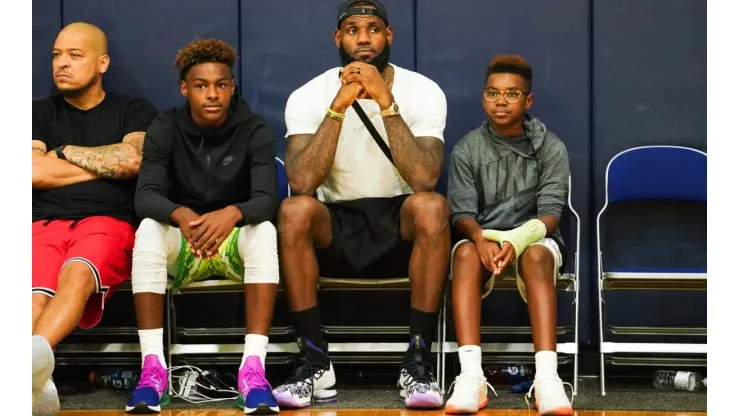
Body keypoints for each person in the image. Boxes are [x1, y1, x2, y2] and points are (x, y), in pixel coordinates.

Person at [273, 0, 449, 410]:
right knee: (293, 210)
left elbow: (425, 177)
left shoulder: (423, 91)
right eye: (353, 29)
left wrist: (385, 101)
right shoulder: (308, 95)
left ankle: (418, 360)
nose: (363, 38)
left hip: (399, 221)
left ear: (389, 36)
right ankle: (314, 360)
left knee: (433, 206)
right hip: (338, 223)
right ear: (339, 39)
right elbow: (300, 182)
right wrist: (338, 107)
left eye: (373, 28)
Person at [125, 38, 281, 415]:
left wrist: (231, 214)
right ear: (185, 89)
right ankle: (152, 370)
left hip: (233, 247)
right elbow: (145, 195)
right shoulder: (165, 126)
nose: (212, 94)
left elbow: (267, 199)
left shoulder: (254, 129)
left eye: (221, 85)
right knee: (148, 227)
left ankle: (253, 370)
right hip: (186, 244)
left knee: (265, 230)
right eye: (201, 85)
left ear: (231, 87)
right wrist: (181, 215)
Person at [31, 22, 159, 416]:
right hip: (43, 223)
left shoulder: (133, 109)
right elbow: (31, 172)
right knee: (31, 295)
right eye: (56, 55)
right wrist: (105, 163)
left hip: (107, 222)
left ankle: (18, 372)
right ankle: (32, 380)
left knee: (78, 275)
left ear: (102, 63)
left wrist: (63, 153)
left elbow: (134, 160)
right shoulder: (38, 113)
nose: (61, 64)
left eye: (74, 55)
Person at [444, 54, 574, 415]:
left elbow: (550, 215)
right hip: (483, 239)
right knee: (465, 254)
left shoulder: (551, 147)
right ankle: (471, 376)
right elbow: (462, 215)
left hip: (534, 240)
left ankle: (547, 378)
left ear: (527, 100)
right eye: (493, 92)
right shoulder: (467, 148)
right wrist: (481, 239)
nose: (501, 101)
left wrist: (515, 241)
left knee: (535, 256)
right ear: (483, 97)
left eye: (511, 94)